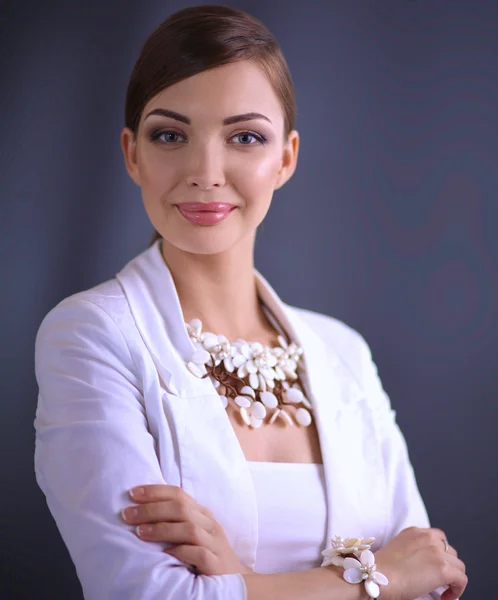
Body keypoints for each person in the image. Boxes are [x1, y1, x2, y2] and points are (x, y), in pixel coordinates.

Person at [34, 5, 467, 600]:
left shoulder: (344, 353)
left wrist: (246, 581)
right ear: (132, 153)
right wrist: (379, 578)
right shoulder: (91, 334)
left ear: (285, 157)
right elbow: (146, 594)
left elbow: (431, 580)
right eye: (170, 135)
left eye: (244, 137)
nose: (205, 171)